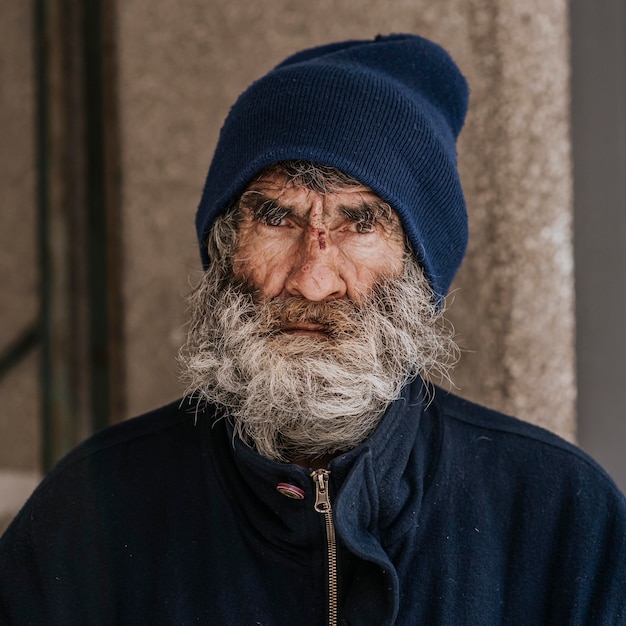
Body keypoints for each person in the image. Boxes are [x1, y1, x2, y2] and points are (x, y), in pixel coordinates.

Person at [0, 33, 624, 626]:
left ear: (418, 272)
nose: (312, 280)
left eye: (359, 224)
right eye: (276, 217)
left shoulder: (561, 520)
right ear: (223, 249)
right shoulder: (90, 516)